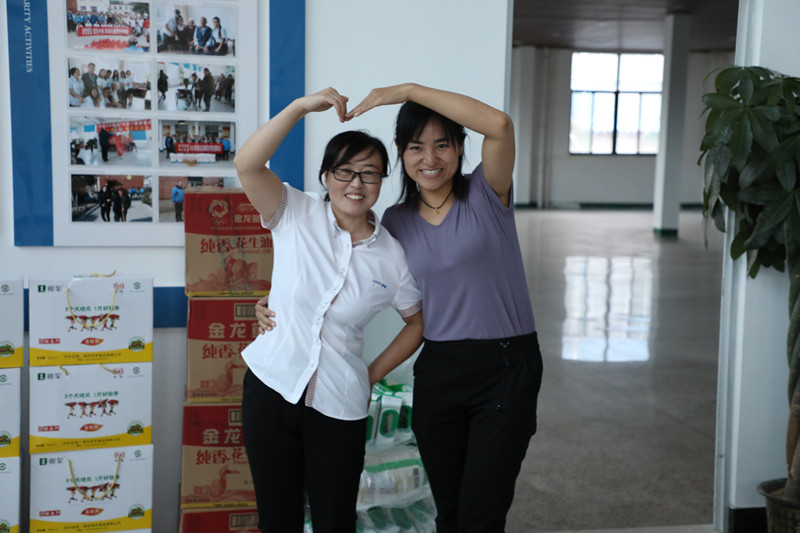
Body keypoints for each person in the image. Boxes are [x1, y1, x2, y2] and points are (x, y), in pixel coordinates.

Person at [257, 84, 544, 533]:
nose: (430, 158)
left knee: (481, 515)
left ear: (460, 147)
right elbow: (345, 276)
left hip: (505, 366)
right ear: (401, 153)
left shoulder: (487, 192)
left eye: (442, 145)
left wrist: (407, 91)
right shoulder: (396, 222)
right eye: (416, 147)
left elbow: (500, 125)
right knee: (448, 511)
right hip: (440, 368)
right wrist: (275, 303)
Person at [235, 87, 423, 533]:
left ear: (382, 182)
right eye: (345, 171)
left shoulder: (393, 256)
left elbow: (417, 322)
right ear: (326, 175)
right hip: (271, 387)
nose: (356, 184)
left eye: (370, 174)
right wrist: (300, 107)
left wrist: (370, 375)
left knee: (335, 520)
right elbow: (247, 164)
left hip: (339, 404)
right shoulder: (294, 212)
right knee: (277, 519)